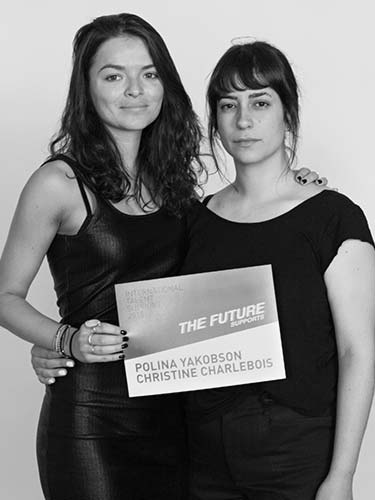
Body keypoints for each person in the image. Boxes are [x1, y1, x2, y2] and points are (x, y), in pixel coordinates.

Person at [0, 12, 207, 500]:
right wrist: (64, 339)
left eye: (149, 73)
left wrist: (296, 186)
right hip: (91, 419)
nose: (135, 90)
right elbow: (5, 295)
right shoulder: (59, 183)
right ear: (87, 90)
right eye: (114, 75)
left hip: (173, 414)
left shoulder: (178, 186)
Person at [178, 41, 375, 499]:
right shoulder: (194, 220)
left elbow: (358, 352)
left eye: (260, 102)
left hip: (297, 454)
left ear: (288, 114)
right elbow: (158, 328)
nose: (243, 120)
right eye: (228, 105)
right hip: (202, 454)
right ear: (216, 122)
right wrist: (59, 341)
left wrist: (341, 477)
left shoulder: (332, 217)